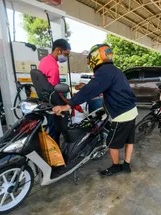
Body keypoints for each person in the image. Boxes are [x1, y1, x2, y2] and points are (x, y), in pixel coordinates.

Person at [52, 44, 138, 176]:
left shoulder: (104, 71)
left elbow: (91, 89)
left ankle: (116, 166)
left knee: (112, 144)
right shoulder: (114, 70)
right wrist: (86, 87)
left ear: (95, 58)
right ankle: (126, 165)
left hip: (122, 114)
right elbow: (102, 87)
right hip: (132, 110)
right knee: (129, 140)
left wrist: (68, 105)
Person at [38, 39, 71, 144]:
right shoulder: (53, 67)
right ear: (58, 50)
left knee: (52, 130)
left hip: (44, 101)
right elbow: (55, 90)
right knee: (56, 131)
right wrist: (67, 102)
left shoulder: (44, 60)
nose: (66, 58)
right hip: (52, 103)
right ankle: (56, 157)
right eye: (65, 54)